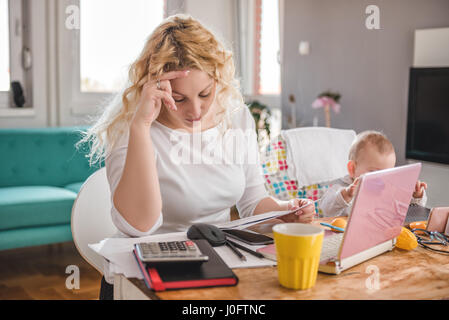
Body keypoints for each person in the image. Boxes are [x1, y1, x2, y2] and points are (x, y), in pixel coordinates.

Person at [77, 15, 315, 299]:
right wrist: (141, 127)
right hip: (144, 277)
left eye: (205, 93)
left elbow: (252, 201)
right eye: (179, 99)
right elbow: (139, 226)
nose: (196, 111)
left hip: (218, 266)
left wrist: (284, 211)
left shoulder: (235, 117)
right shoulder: (132, 126)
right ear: (155, 87)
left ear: (218, 78)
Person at [319, 130, 427, 218]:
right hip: (341, 238)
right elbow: (326, 209)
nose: (381, 180)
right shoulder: (342, 188)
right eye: (373, 173)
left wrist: (416, 195)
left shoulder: (388, 189)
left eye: (387, 174)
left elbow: (411, 211)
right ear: (352, 169)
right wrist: (346, 195)